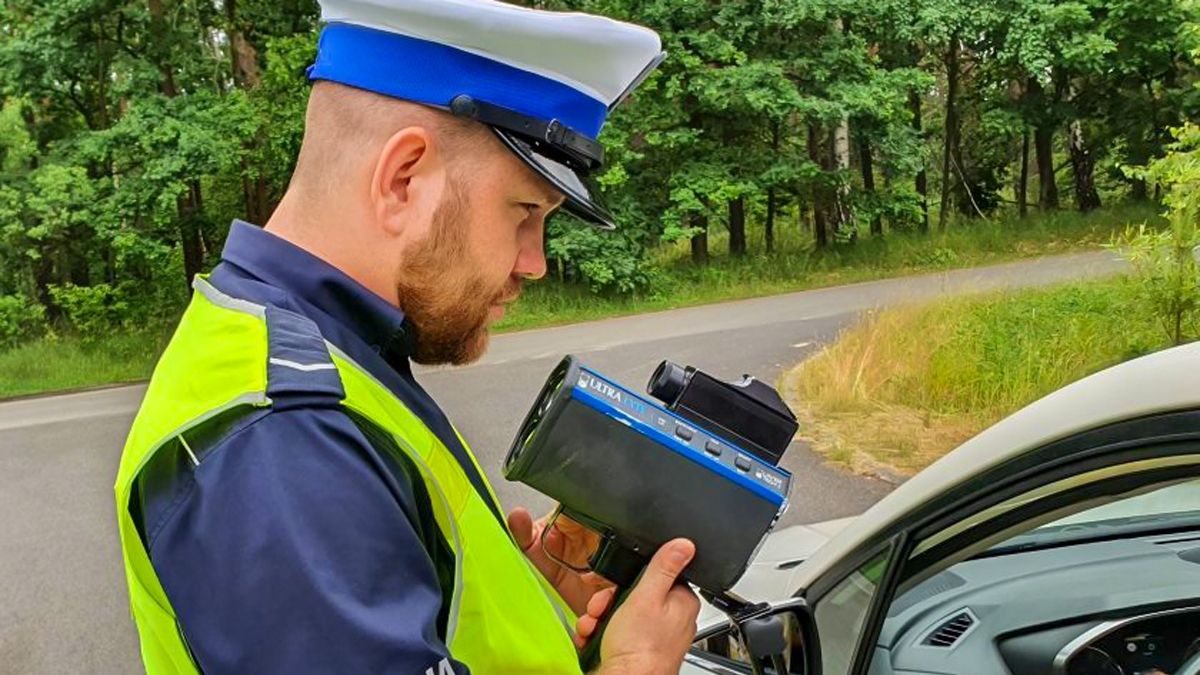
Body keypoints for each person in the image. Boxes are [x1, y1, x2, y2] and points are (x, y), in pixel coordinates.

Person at [112, 0, 699, 673]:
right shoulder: (285, 437)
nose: (535, 261)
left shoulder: (324, 356)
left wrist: (531, 624)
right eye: (525, 211)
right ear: (403, 179)